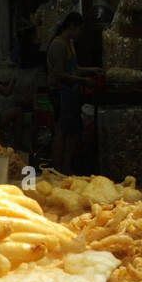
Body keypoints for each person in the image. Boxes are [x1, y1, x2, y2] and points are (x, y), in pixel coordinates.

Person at [46, 13, 99, 173]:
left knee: (73, 132)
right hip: (61, 92)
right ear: (71, 26)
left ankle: (66, 167)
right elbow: (60, 74)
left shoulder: (69, 44)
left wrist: (92, 70)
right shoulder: (58, 45)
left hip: (71, 93)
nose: (79, 34)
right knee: (62, 131)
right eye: (79, 29)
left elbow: (74, 68)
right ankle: (58, 169)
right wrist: (84, 81)